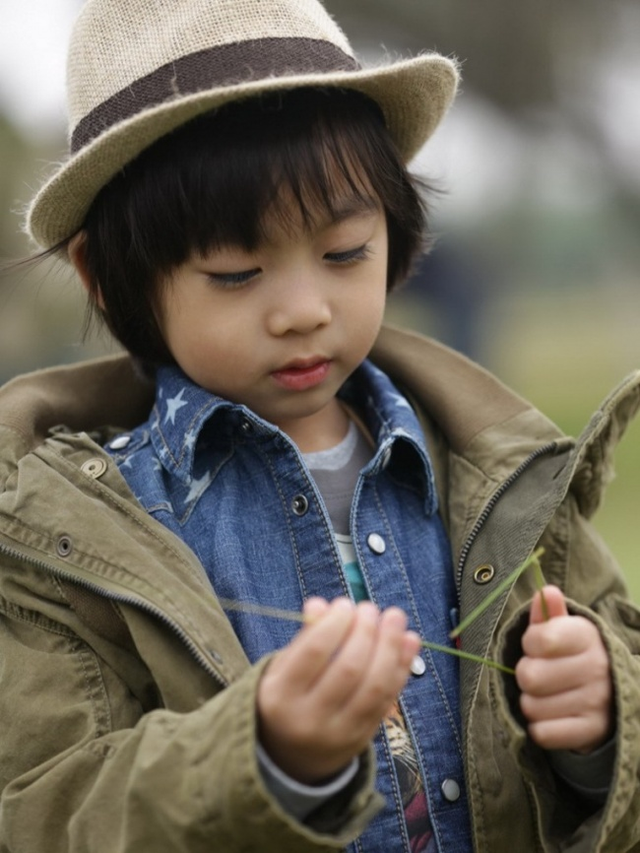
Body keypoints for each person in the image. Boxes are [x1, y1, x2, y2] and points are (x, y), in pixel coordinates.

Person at [1, 1, 639, 851]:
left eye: (344, 254)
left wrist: (604, 715)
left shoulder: (499, 471)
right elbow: (49, 804)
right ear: (108, 275)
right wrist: (265, 758)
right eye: (235, 272)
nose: (303, 311)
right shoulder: (66, 539)